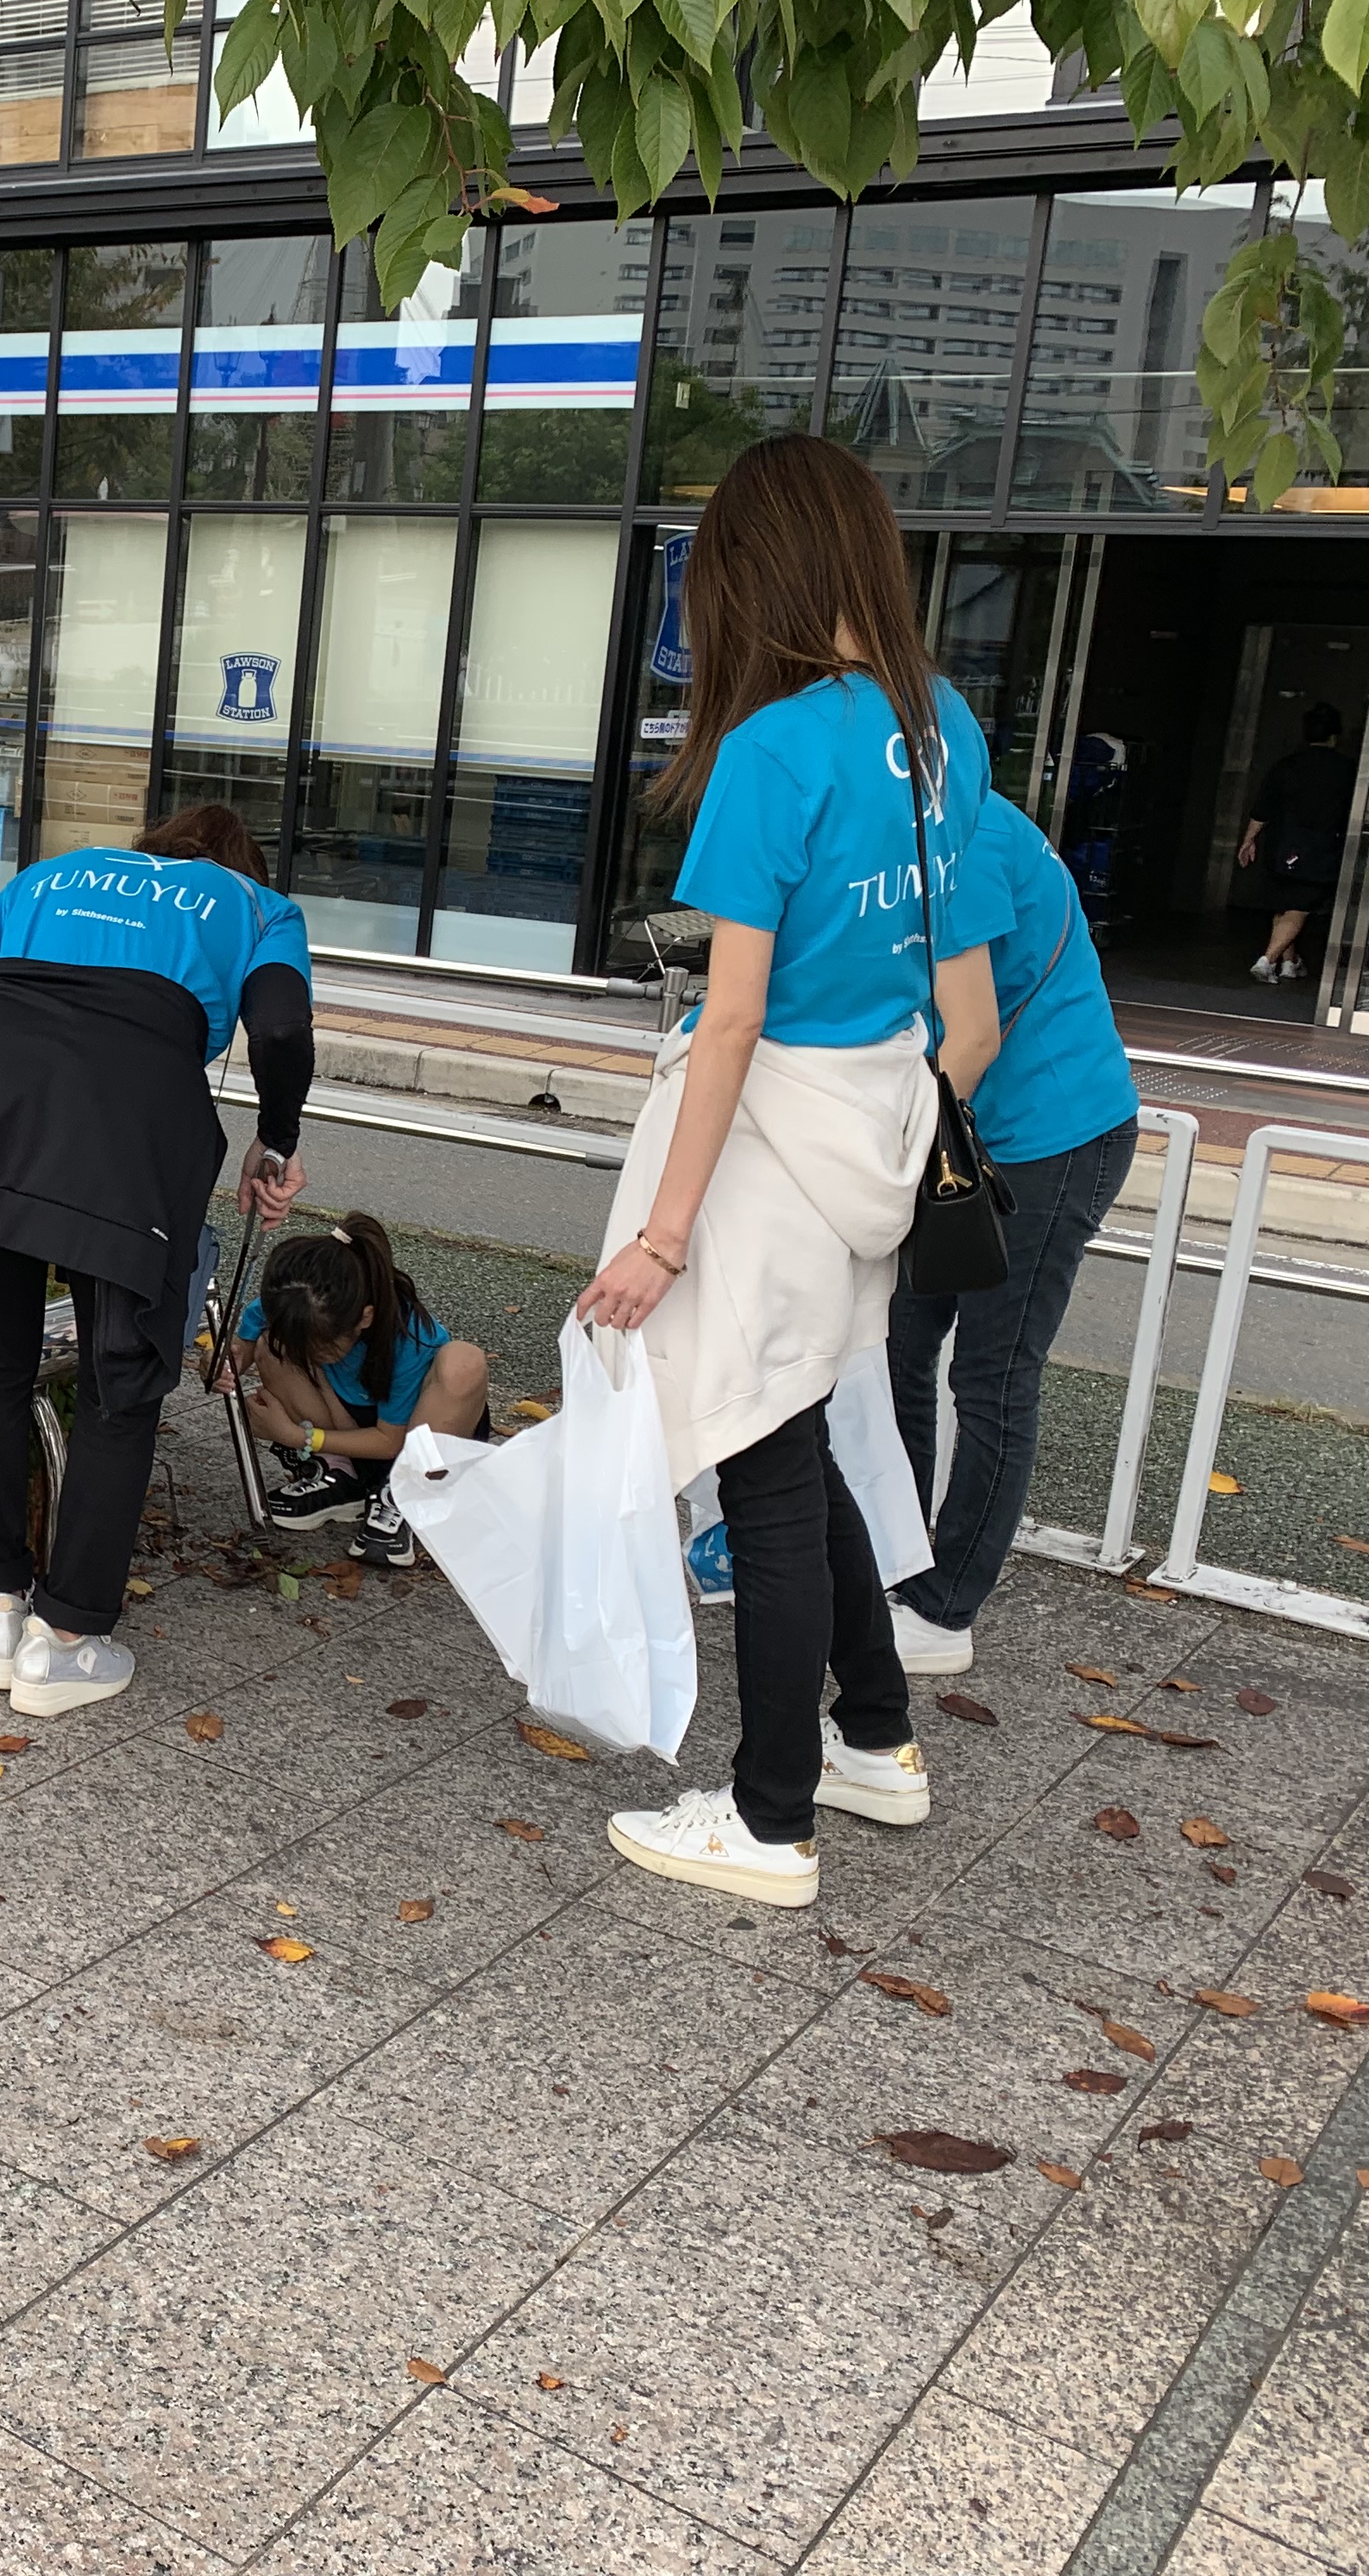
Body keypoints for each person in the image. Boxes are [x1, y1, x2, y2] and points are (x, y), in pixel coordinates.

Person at [574, 434, 1009, 1911]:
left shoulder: (772, 752)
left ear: (749, 577)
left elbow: (733, 1017)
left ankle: (766, 1818)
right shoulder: (943, 728)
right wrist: (891, 1123)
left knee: (762, 1474)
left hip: (763, 1153)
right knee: (802, 1436)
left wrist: (663, 1234)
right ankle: (873, 1736)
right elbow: (968, 1013)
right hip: (878, 1122)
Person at [0, 802, 314, 1717]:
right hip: (127, 1132)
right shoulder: (259, 906)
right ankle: (65, 1642)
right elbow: (280, 1031)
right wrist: (277, 1139)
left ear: (151, 849)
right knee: (121, 1378)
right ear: (244, 863)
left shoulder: (49, 876)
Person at [883, 791, 1143, 1674]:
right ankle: (891, 1560)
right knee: (897, 1347)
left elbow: (974, 1037)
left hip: (1050, 1136)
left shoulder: (965, 839)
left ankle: (944, 1610)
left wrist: (892, 1149)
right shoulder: (915, 825)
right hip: (966, 1127)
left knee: (992, 1375)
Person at [229, 1212, 489, 1568]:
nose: (309, 1356)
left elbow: (389, 1441)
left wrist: (294, 1436)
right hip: (346, 1423)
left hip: (411, 1442)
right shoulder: (293, 1299)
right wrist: (221, 1365)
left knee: (464, 1362)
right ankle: (340, 1476)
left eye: (320, 1347)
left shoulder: (410, 1336)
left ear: (365, 1318)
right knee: (271, 1345)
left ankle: (406, 1495)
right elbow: (241, 1351)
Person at [1236, 704, 1356, 984]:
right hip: (1320, 848)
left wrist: (1249, 839)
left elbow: (1263, 807)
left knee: (1285, 904)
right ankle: (1267, 961)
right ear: (1335, 736)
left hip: (1282, 846)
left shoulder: (1286, 765)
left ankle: (1290, 963)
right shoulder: (1347, 770)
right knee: (1300, 906)